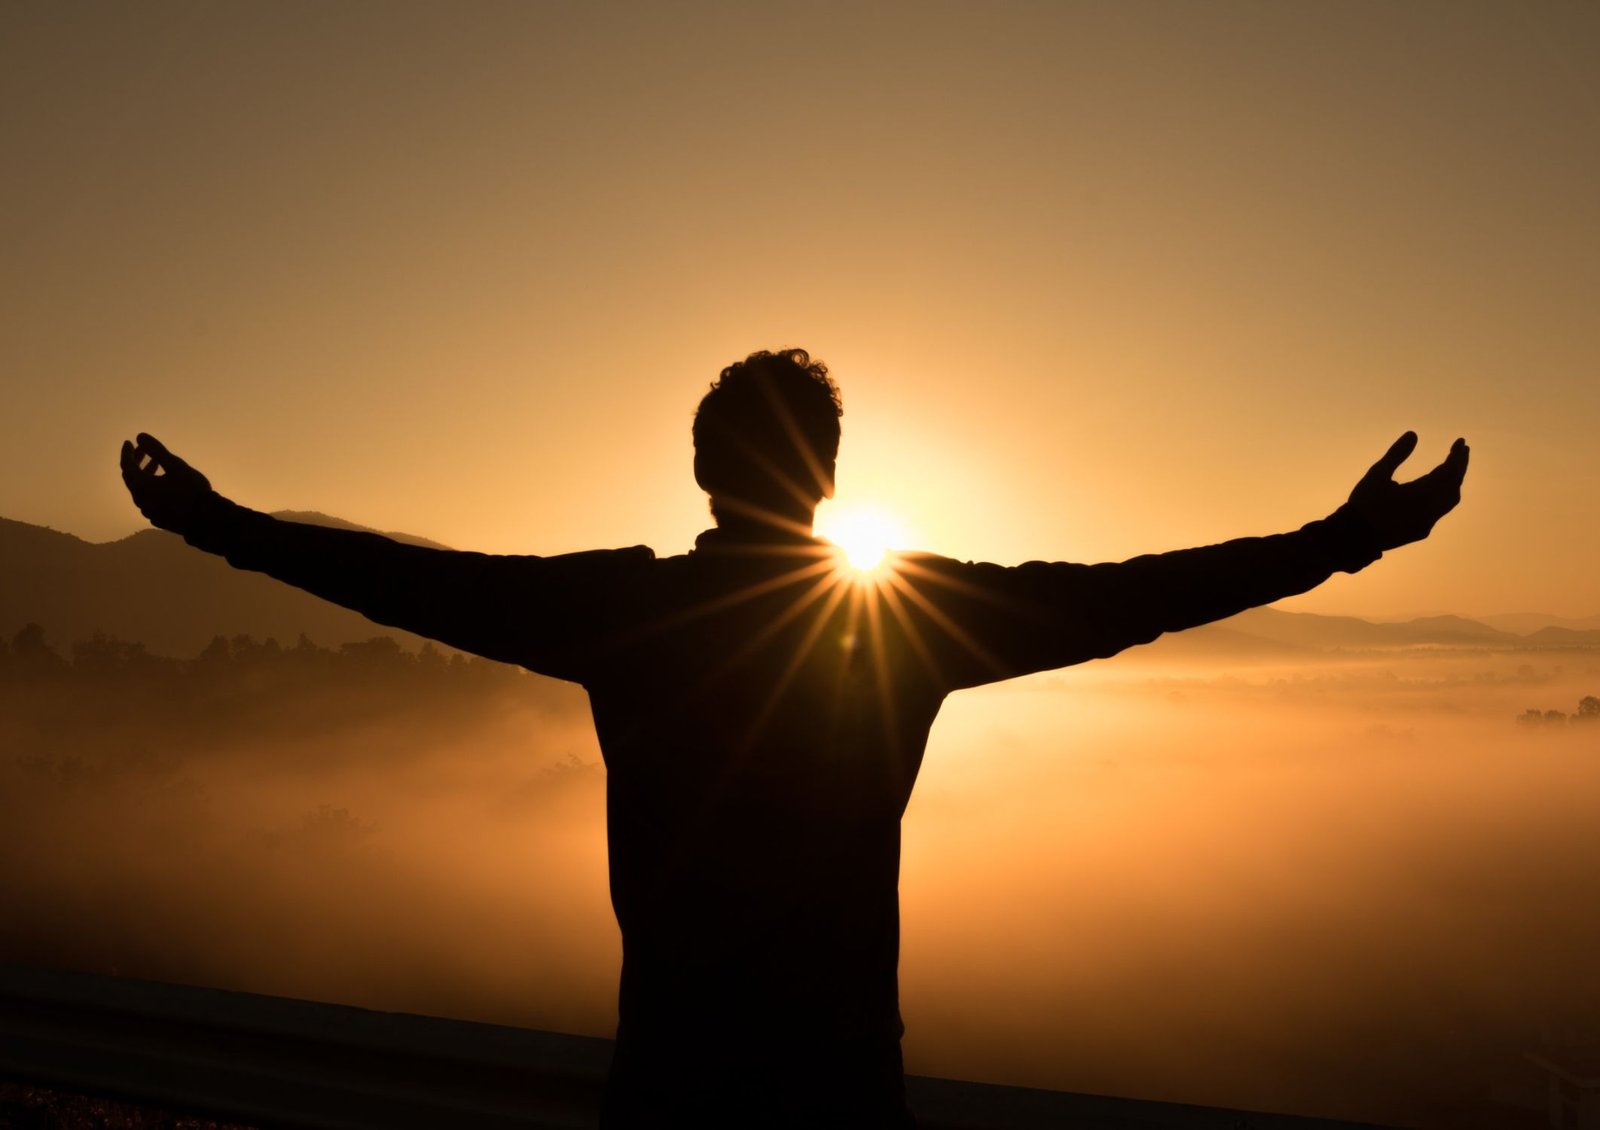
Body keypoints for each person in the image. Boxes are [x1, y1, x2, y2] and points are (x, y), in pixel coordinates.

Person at [120, 348, 1468, 1128]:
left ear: (708, 471)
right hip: (837, 1094)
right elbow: (1129, 595)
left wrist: (219, 525)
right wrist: (1339, 544)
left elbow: (418, 580)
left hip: (670, 1086)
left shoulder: (631, 609)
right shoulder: (905, 623)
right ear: (826, 475)